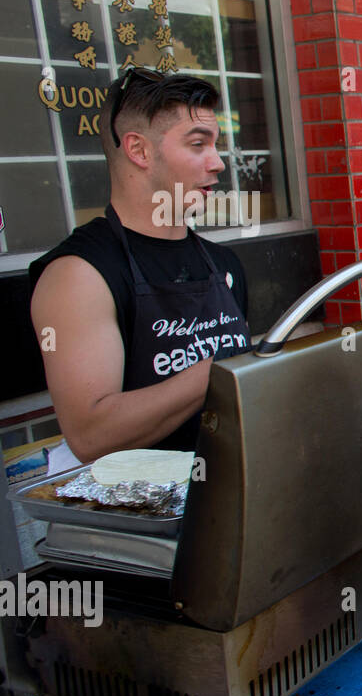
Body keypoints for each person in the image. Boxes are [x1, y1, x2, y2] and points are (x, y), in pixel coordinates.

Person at [29, 71, 250, 471]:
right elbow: (91, 435)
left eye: (215, 145)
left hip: (237, 499)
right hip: (147, 524)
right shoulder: (79, 275)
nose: (218, 163)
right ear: (139, 150)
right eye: (198, 144)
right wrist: (219, 371)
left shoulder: (224, 265)